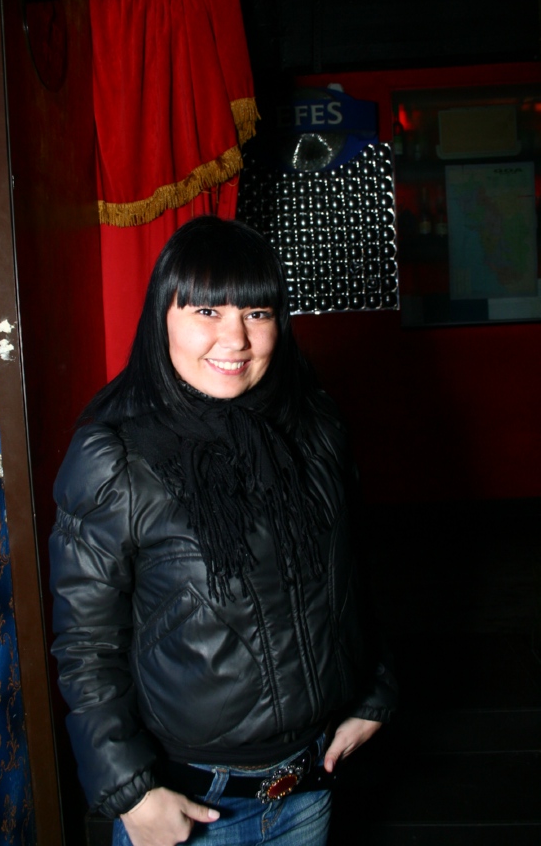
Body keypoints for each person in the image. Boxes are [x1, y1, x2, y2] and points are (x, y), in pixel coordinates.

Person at [49, 215, 397, 846]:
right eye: (207, 311)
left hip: (309, 786)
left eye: (257, 313)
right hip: (189, 803)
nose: (235, 339)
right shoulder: (116, 456)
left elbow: (356, 573)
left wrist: (372, 693)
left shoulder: (314, 427)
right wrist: (132, 791)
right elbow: (85, 644)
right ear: (162, 317)